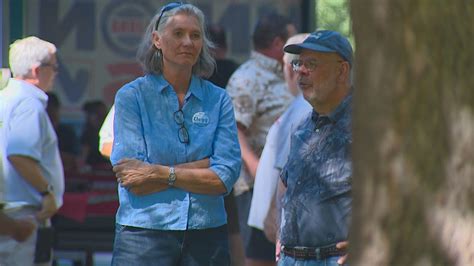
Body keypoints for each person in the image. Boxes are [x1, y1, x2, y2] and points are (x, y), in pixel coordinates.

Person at [109, 3, 241, 265]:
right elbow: (133, 179)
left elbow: (225, 177)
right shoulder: (131, 97)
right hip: (143, 234)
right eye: (178, 33)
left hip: (207, 233)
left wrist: (158, 172)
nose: (188, 42)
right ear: (157, 40)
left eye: (195, 35)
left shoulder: (219, 99)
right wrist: (204, 165)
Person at [277, 30, 353, 266]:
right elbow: (285, 185)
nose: (300, 71)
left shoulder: (369, 127)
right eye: (299, 63)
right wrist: (281, 237)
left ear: (342, 71)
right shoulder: (301, 128)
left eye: (312, 64)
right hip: (291, 259)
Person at [226, 12, 296, 266]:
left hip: (285, 182)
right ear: (278, 43)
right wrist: (259, 171)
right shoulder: (248, 77)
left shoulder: (284, 73)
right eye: (292, 39)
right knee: (260, 258)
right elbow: (233, 130)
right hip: (256, 188)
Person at [0, 36, 65, 266]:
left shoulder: (6, 98)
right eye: (54, 67)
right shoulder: (29, 103)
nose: (56, 73)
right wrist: (47, 192)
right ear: (37, 70)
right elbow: (19, 155)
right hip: (23, 218)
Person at [247, 33, 312, 245]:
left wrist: (273, 215)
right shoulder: (299, 107)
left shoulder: (302, 109)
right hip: (272, 218)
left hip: (276, 222)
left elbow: (285, 168)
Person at [46, 92, 79, 172]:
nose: (51, 113)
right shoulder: (37, 132)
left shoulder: (67, 132)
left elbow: (76, 158)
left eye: (53, 109)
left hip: (66, 174)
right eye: (48, 110)